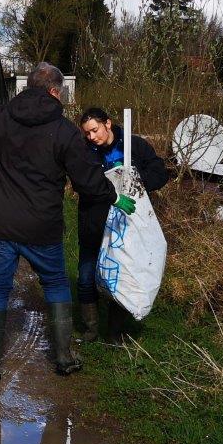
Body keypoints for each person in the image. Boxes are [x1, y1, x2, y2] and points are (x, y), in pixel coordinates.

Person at [0, 57, 130, 379]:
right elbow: (88, 182)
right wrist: (115, 195)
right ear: (53, 91)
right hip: (42, 228)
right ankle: (64, 357)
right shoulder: (64, 131)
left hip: (1, 226)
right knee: (56, 284)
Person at [75, 106, 169, 341]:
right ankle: (90, 330)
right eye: (87, 133)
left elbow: (160, 172)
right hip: (94, 222)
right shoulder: (85, 152)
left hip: (125, 225)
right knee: (86, 275)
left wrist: (134, 183)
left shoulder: (134, 146)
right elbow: (81, 183)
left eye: (95, 130)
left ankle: (114, 334)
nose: (92, 137)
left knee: (121, 276)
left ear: (108, 123)